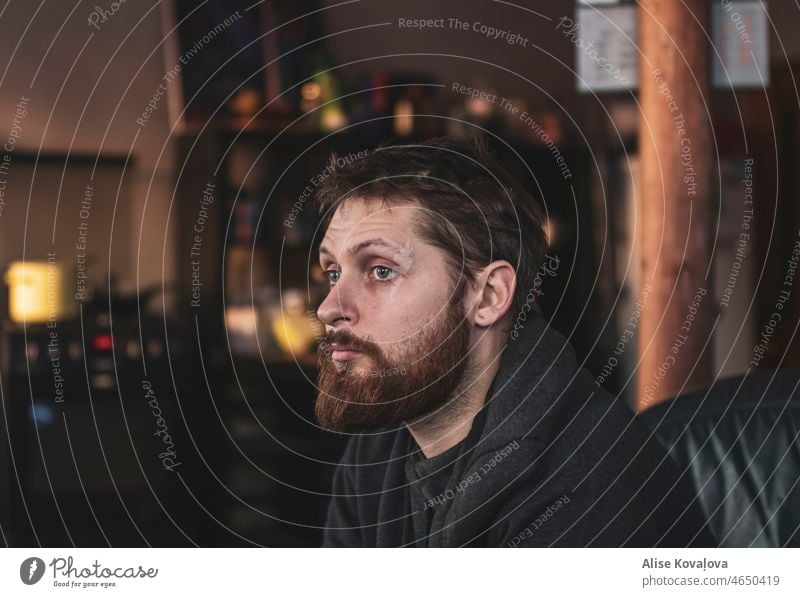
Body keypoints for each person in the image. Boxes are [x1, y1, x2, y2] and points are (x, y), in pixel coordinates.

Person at [312, 135, 716, 547]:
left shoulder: (586, 487)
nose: (329, 307)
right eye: (333, 273)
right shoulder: (378, 451)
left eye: (381, 271)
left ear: (488, 296)